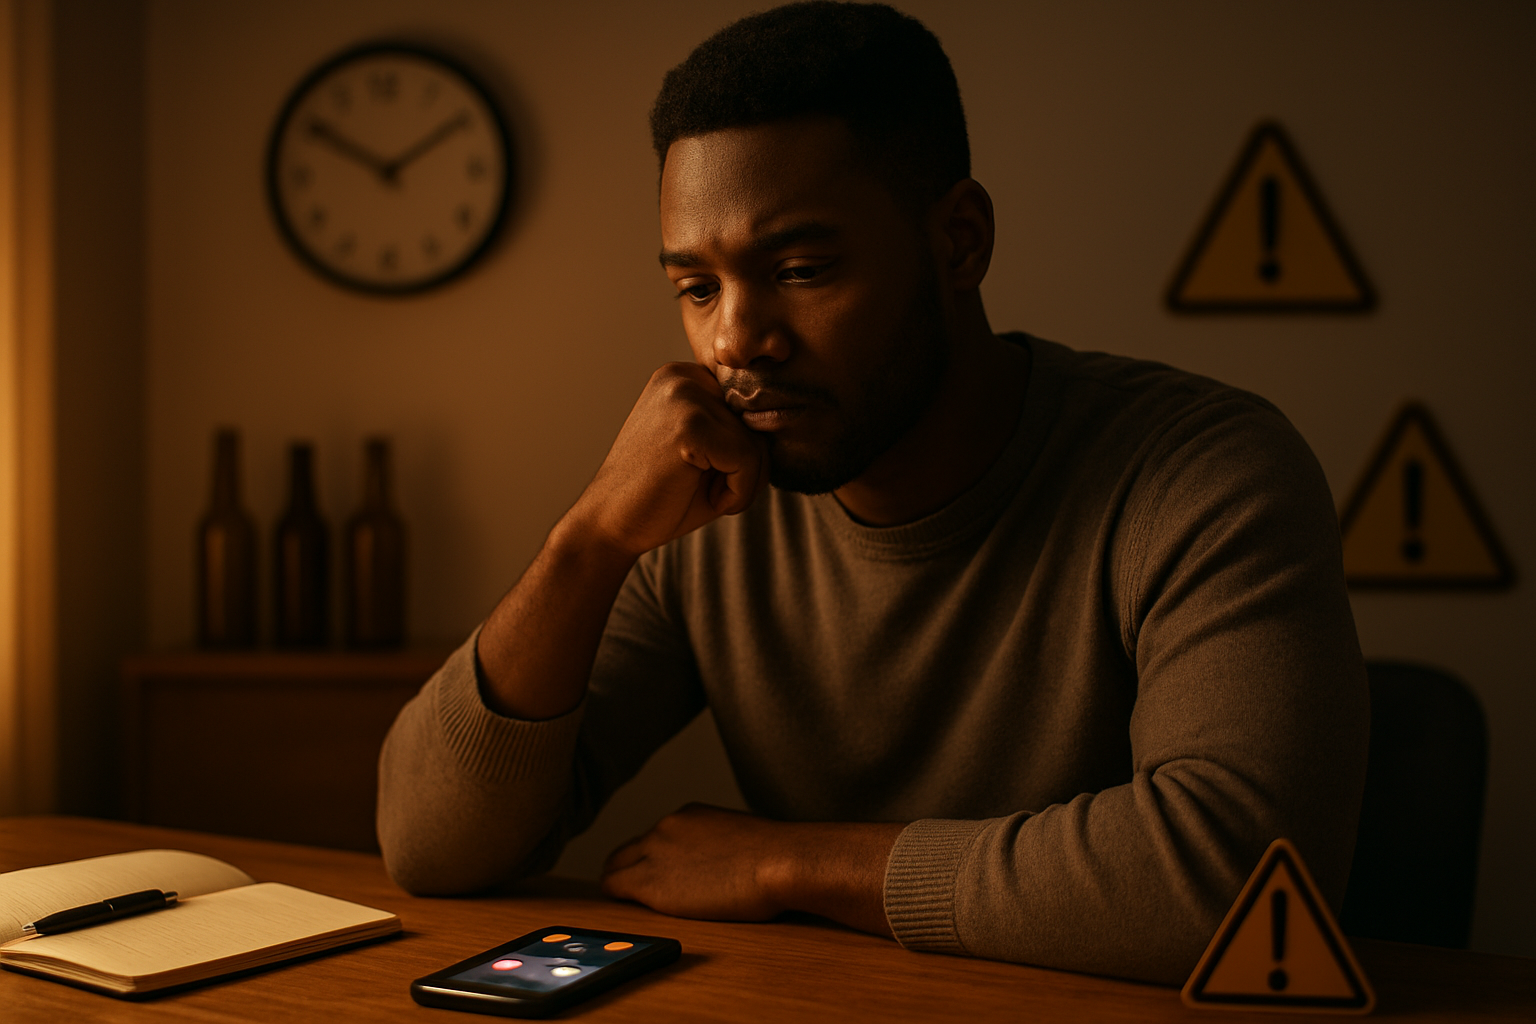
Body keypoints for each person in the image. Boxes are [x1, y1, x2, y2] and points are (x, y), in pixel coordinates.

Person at [378, 1, 1369, 985]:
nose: (735, 341)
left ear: (960, 244)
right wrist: (588, 542)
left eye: (800, 269)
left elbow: (1240, 873)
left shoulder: (1204, 471)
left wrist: (791, 857)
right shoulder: (711, 502)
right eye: (698, 288)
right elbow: (431, 844)